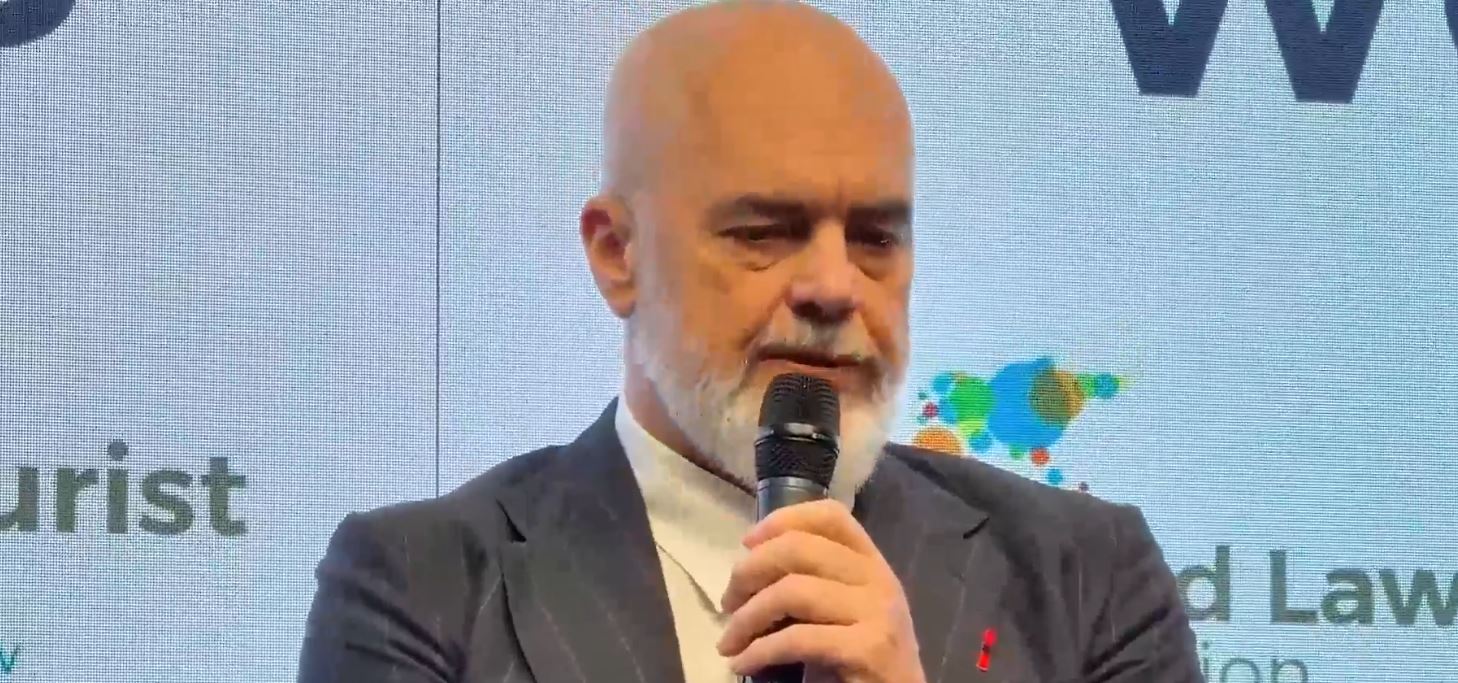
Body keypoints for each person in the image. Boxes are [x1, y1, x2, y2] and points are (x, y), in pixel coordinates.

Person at [296, 1, 1202, 681]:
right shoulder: (424, 588)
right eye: (765, 232)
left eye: (875, 238)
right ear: (618, 254)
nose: (834, 287)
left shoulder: (1085, 579)